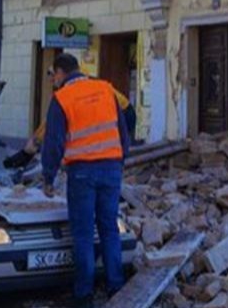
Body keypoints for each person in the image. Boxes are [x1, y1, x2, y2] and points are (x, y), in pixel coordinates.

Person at [41, 54, 129, 308]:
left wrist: (48, 177)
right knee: (109, 228)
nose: (53, 81)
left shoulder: (62, 98)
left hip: (82, 172)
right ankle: (115, 286)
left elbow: (54, 142)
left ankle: (84, 294)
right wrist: (119, 162)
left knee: (82, 233)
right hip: (111, 168)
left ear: (60, 72)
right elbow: (122, 131)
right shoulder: (105, 89)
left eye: (53, 75)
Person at [3, 82, 135, 170]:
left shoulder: (72, 93)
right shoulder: (90, 85)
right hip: (125, 110)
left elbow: (50, 122)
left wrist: (33, 144)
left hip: (123, 112)